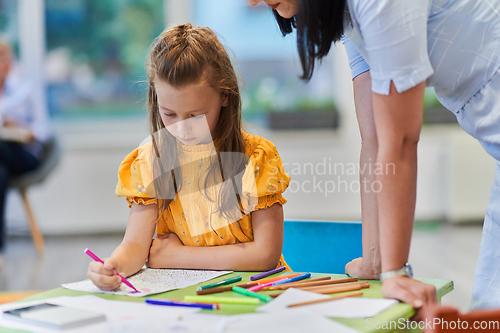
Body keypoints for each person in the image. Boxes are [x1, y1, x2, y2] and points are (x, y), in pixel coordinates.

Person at [247, 0, 500, 309]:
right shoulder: (348, 13)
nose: (252, 2)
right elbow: (376, 138)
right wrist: (376, 261)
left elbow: (402, 139)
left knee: (490, 312)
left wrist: (396, 272)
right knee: (488, 309)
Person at [87, 24, 291, 291]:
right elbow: (135, 247)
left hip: (258, 293)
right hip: (187, 296)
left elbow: (265, 255)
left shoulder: (256, 157)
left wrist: (174, 256)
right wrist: (112, 267)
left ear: (225, 97)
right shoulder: (152, 159)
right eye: (169, 114)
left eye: (196, 115)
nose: (182, 129)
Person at [0, 37, 52, 266]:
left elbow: (44, 130)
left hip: (26, 154)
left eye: (5, 57)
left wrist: (22, 129)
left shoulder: (25, 89)